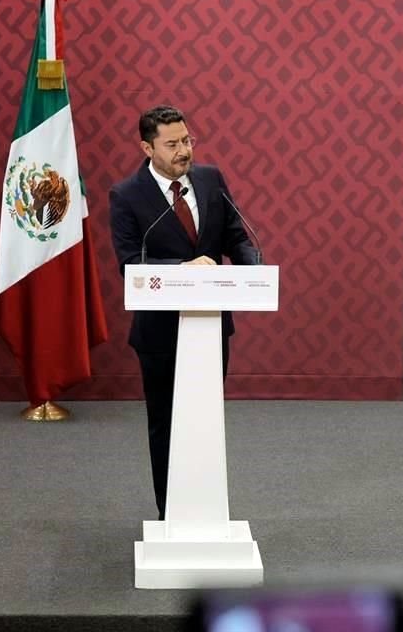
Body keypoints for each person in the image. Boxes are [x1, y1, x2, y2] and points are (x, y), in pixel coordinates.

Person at [109, 105, 259, 520]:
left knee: (205, 420)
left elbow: (235, 237)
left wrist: (252, 267)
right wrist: (183, 268)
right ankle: (171, 514)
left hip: (210, 326)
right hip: (159, 332)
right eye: (172, 144)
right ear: (147, 148)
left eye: (187, 140)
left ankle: (206, 513)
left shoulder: (210, 180)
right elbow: (130, 263)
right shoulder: (127, 195)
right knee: (166, 423)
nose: (184, 151)